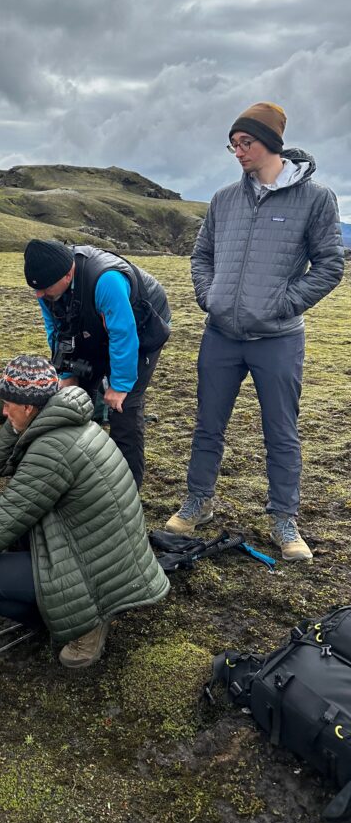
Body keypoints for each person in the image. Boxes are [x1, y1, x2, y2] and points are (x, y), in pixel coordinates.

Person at [166, 102, 344, 561]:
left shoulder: (316, 198)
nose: (239, 152)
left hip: (279, 339)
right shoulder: (224, 199)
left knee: (281, 431)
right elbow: (201, 255)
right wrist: (212, 297)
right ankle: (198, 502)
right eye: (234, 144)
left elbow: (329, 265)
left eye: (246, 142)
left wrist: (283, 303)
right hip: (221, 334)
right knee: (208, 426)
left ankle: (285, 520)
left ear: (272, 143)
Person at [0, 356, 170, 669]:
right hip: (96, 549)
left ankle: (85, 624)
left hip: (95, 570)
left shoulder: (52, 451)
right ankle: (73, 610)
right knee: (7, 543)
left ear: (29, 407)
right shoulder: (65, 421)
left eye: (7, 404)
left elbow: (1, 525)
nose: (2, 411)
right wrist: (16, 425)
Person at [22, 238, 170, 488]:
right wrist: (67, 370)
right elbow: (57, 329)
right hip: (93, 323)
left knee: (123, 407)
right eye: (35, 289)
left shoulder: (106, 280)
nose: (39, 295)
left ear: (68, 274)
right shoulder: (46, 285)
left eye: (45, 288)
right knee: (75, 397)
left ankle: (127, 488)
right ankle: (82, 469)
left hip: (141, 324)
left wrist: (120, 385)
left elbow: (123, 334)